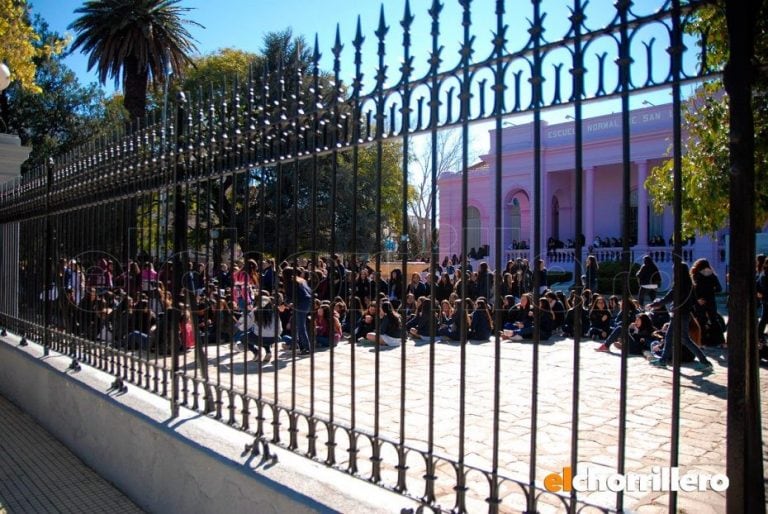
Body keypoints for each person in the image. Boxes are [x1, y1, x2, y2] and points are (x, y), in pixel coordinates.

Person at [647, 262, 714, 371]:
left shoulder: (679, 285)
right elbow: (693, 301)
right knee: (671, 337)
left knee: (684, 339)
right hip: (684, 314)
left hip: (679, 315)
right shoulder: (689, 285)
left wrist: (653, 305)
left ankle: (705, 362)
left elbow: (667, 298)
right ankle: (663, 360)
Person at [235, 295, 281, 363]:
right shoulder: (274, 313)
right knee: (265, 337)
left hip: (260, 338)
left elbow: (245, 327)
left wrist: (239, 324)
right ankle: (268, 353)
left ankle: (256, 353)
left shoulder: (255, 312)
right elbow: (280, 328)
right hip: (274, 338)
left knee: (243, 337)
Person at [282, 267, 312, 354]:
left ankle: (306, 348)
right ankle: (295, 344)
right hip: (306, 302)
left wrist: (285, 304)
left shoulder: (289, 282)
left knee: (301, 326)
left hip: (300, 304)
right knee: (294, 324)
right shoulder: (300, 280)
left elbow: (290, 296)